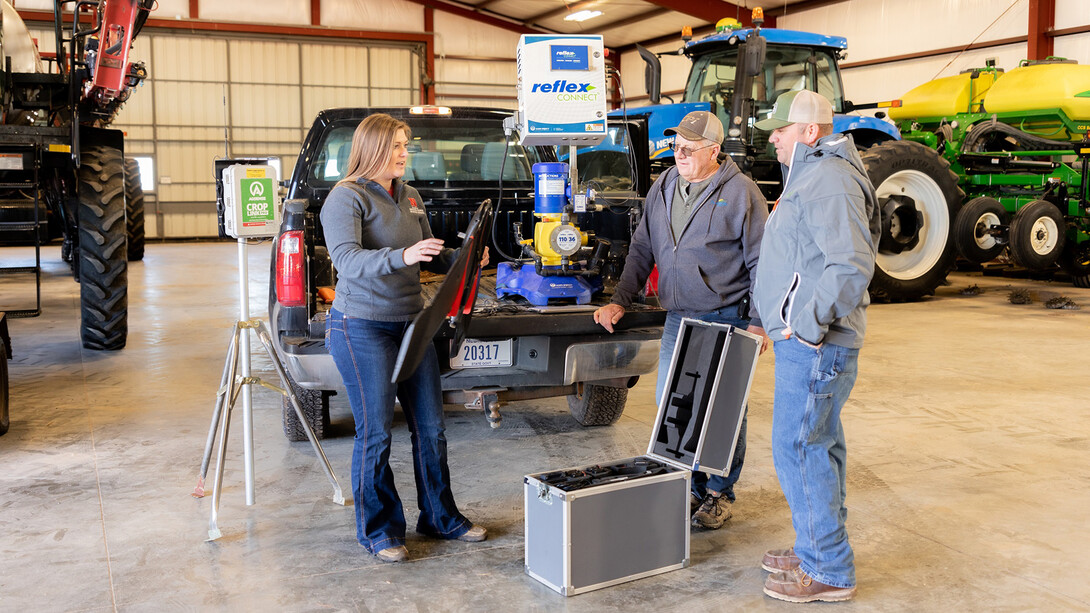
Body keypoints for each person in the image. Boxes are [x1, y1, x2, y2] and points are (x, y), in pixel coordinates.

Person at [320, 113, 487, 563]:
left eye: (405, 145)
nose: (404, 152)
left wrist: (463, 255)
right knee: (375, 433)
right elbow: (349, 261)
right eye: (396, 145)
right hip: (362, 326)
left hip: (413, 323)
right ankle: (379, 530)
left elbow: (429, 251)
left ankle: (439, 517)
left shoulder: (410, 196)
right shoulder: (346, 198)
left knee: (431, 429)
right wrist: (403, 255)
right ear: (372, 149)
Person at [593, 110, 769, 529]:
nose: (680, 154)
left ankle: (719, 492)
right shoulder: (665, 185)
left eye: (689, 148)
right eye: (675, 146)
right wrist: (621, 298)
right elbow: (642, 248)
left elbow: (764, 261)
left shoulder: (742, 193)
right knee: (672, 405)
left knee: (722, 409)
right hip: (679, 318)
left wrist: (761, 321)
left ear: (714, 150)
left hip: (725, 316)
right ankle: (690, 486)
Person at [752, 90, 880, 602]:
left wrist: (804, 324)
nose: (773, 138)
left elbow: (849, 264)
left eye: (780, 129)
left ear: (810, 132)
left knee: (799, 447)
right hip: (807, 339)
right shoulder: (812, 174)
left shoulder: (827, 178)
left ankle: (827, 567)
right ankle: (816, 547)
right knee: (817, 444)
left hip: (816, 343)